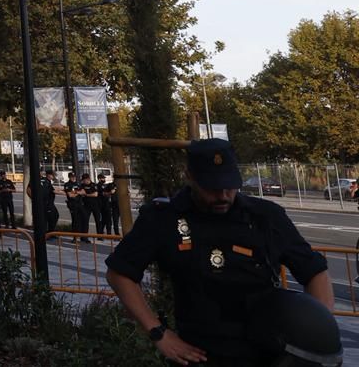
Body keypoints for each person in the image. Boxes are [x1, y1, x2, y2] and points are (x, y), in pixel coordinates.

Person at [106, 139, 334, 366]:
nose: (223, 195)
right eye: (212, 188)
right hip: (200, 354)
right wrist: (158, 333)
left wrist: (321, 336)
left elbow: (315, 272)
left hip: (267, 353)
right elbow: (120, 274)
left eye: (230, 186)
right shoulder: (163, 218)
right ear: (190, 177)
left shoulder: (264, 217)